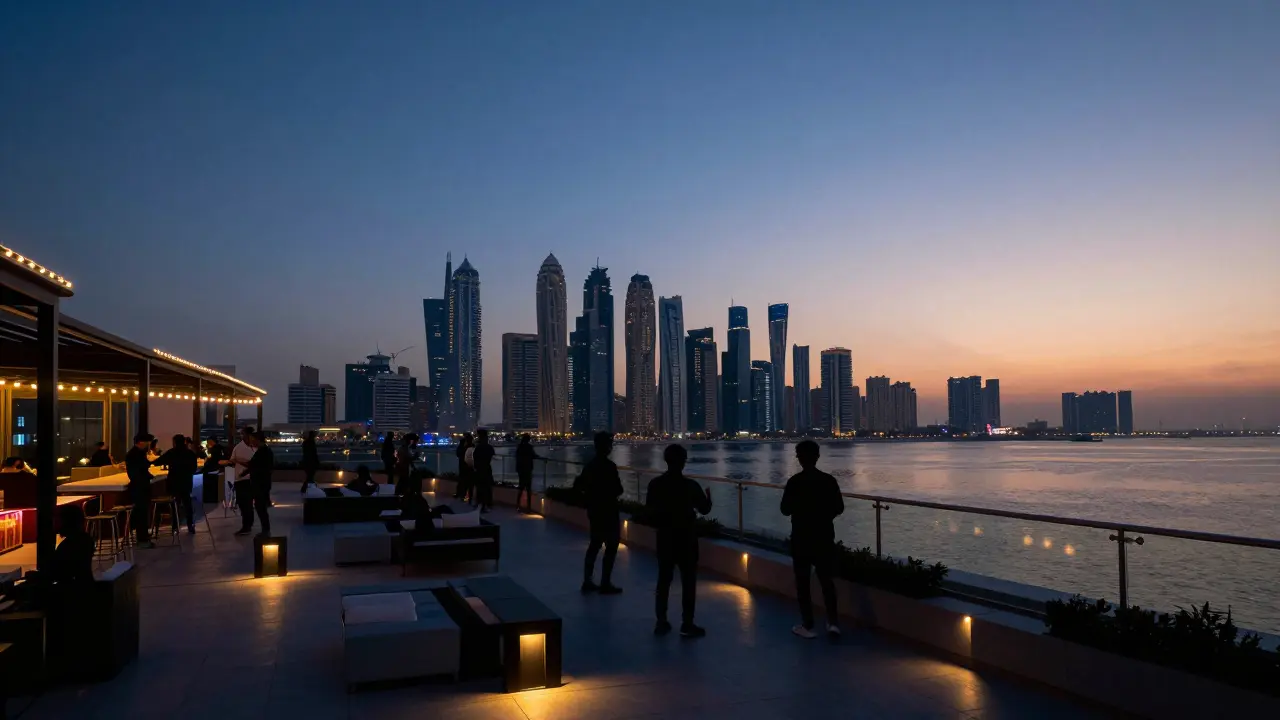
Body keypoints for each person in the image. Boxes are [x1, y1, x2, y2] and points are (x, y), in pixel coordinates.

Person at [780, 440, 845, 639]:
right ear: (817, 456)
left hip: (801, 537)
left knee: (803, 582)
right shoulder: (829, 481)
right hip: (824, 536)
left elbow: (784, 509)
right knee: (827, 581)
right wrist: (825, 517)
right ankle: (833, 623)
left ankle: (808, 625)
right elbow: (839, 507)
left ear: (799, 458)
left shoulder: (794, 482)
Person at [646, 444, 712, 637]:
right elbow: (704, 509)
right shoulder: (690, 486)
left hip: (665, 537)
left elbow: (649, 512)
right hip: (686, 538)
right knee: (688, 582)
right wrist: (709, 498)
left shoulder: (655, 484)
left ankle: (661, 621)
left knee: (663, 581)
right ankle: (687, 623)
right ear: (683, 462)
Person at [576, 432, 623, 594]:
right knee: (611, 546)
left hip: (594, 509)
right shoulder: (610, 467)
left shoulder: (589, 466)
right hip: (609, 510)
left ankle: (587, 580)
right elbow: (618, 489)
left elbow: (579, 486)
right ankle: (605, 582)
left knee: (594, 544)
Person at [155, 433, 199, 534]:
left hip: (174, 482)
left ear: (174, 442)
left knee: (175, 504)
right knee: (187, 504)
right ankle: (190, 525)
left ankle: (175, 526)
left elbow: (158, 462)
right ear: (184, 442)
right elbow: (194, 469)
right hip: (186, 482)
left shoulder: (171, 452)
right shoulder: (190, 453)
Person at [224, 427, 258, 536]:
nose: (241, 436)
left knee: (247, 504)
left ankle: (247, 525)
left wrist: (240, 462)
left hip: (250, 479)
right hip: (241, 479)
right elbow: (232, 461)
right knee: (244, 504)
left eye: (243, 434)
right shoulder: (239, 447)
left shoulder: (255, 447)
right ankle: (247, 525)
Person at [125, 432, 156, 548]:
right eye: (147, 442)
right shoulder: (135, 454)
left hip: (140, 486)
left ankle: (142, 537)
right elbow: (139, 471)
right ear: (141, 442)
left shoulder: (136, 453)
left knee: (142, 513)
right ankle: (142, 539)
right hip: (139, 487)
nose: (148, 445)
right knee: (141, 514)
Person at [52, 503, 94, 586]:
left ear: (66, 521)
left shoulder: (67, 546)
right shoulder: (85, 538)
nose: (54, 521)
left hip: (72, 589)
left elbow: (61, 574)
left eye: (57, 518)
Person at [247, 430, 274, 536]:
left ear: (258, 440)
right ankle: (265, 529)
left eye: (252, 440)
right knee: (260, 507)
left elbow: (258, 467)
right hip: (262, 483)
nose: (251, 442)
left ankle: (266, 530)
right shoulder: (264, 451)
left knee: (261, 507)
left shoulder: (263, 452)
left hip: (261, 484)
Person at [472, 428, 496, 513]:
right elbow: (491, 456)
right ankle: (487, 503)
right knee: (487, 487)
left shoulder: (478, 448)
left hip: (479, 469)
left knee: (480, 487)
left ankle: (480, 503)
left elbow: (475, 458)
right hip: (486, 469)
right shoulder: (489, 447)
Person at [515, 434, 538, 513]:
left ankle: (518, 506)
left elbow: (517, 457)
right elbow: (534, 455)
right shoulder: (529, 447)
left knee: (521, 488)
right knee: (528, 489)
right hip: (527, 470)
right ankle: (528, 507)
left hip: (521, 470)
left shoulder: (519, 447)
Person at [202, 437, 226, 503]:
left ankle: (208, 498)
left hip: (213, 469)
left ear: (211, 441)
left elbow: (210, 459)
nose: (207, 444)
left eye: (208, 442)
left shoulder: (214, 449)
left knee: (205, 476)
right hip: (218, 468)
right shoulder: (220, 447)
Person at [454, 433, 474, 502]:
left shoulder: (462, 446)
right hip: (469, 466)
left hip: (463, 466)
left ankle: (461, 495)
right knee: (469, 483)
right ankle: (468, 497)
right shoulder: (472, 446)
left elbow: (458, 454)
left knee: (462, 481)